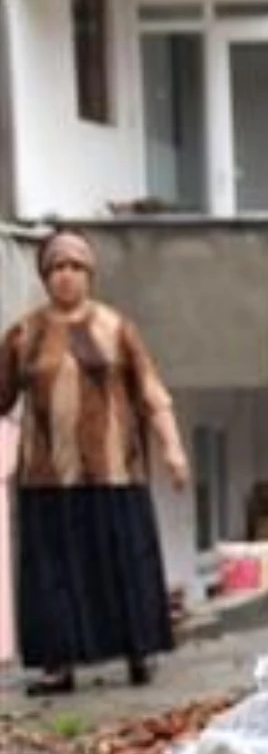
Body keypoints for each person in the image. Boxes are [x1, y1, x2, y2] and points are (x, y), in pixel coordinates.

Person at [0, 228, 189, 696]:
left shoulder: (117, 328)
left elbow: (151, 393)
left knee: (122, 561)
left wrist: (173, 448)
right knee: (53, 574)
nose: (66, 277)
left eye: (75, 267)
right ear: (45, 277)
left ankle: (138, 653)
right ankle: (57, 666)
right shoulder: (23, 335)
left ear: (90, 274)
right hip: (47, 477)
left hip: (115, 470)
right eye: (57, 268)